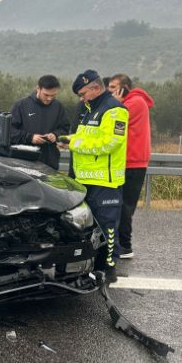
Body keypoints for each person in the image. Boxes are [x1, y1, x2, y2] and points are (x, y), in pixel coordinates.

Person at [64, 70, 129, 283]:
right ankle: (90, 265)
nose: (81, 99)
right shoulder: (89, 109)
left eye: (83, 93)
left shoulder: (115, 110)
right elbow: (85, 137)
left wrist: (74, 143)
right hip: (84, 179)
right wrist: (65, 139)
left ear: (95, 87)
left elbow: (111, 142)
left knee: (108, 227)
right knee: (87, 226)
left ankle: (109, 268)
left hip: (105, 181)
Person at [108, 74, 154, 259]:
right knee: (120, 204)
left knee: (125, 205)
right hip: (128, 160)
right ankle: (119, 243)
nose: (109, 91)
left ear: (124, 88)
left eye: (113, 87)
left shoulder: (134, 103)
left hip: (133, 161)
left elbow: (114, 120)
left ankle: (125, 246)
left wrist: (115, 103)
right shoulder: (131, 102)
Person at [9, 75, 71, 170]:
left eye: (53, 95)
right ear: (38, 88)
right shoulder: (21, 105)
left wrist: (55, 135)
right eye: (46, 95)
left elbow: (65, 128)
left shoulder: (58, 107)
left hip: (50, 163)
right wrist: (30, 137)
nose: (49, 98)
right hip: (24, 162)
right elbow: (10, 131)